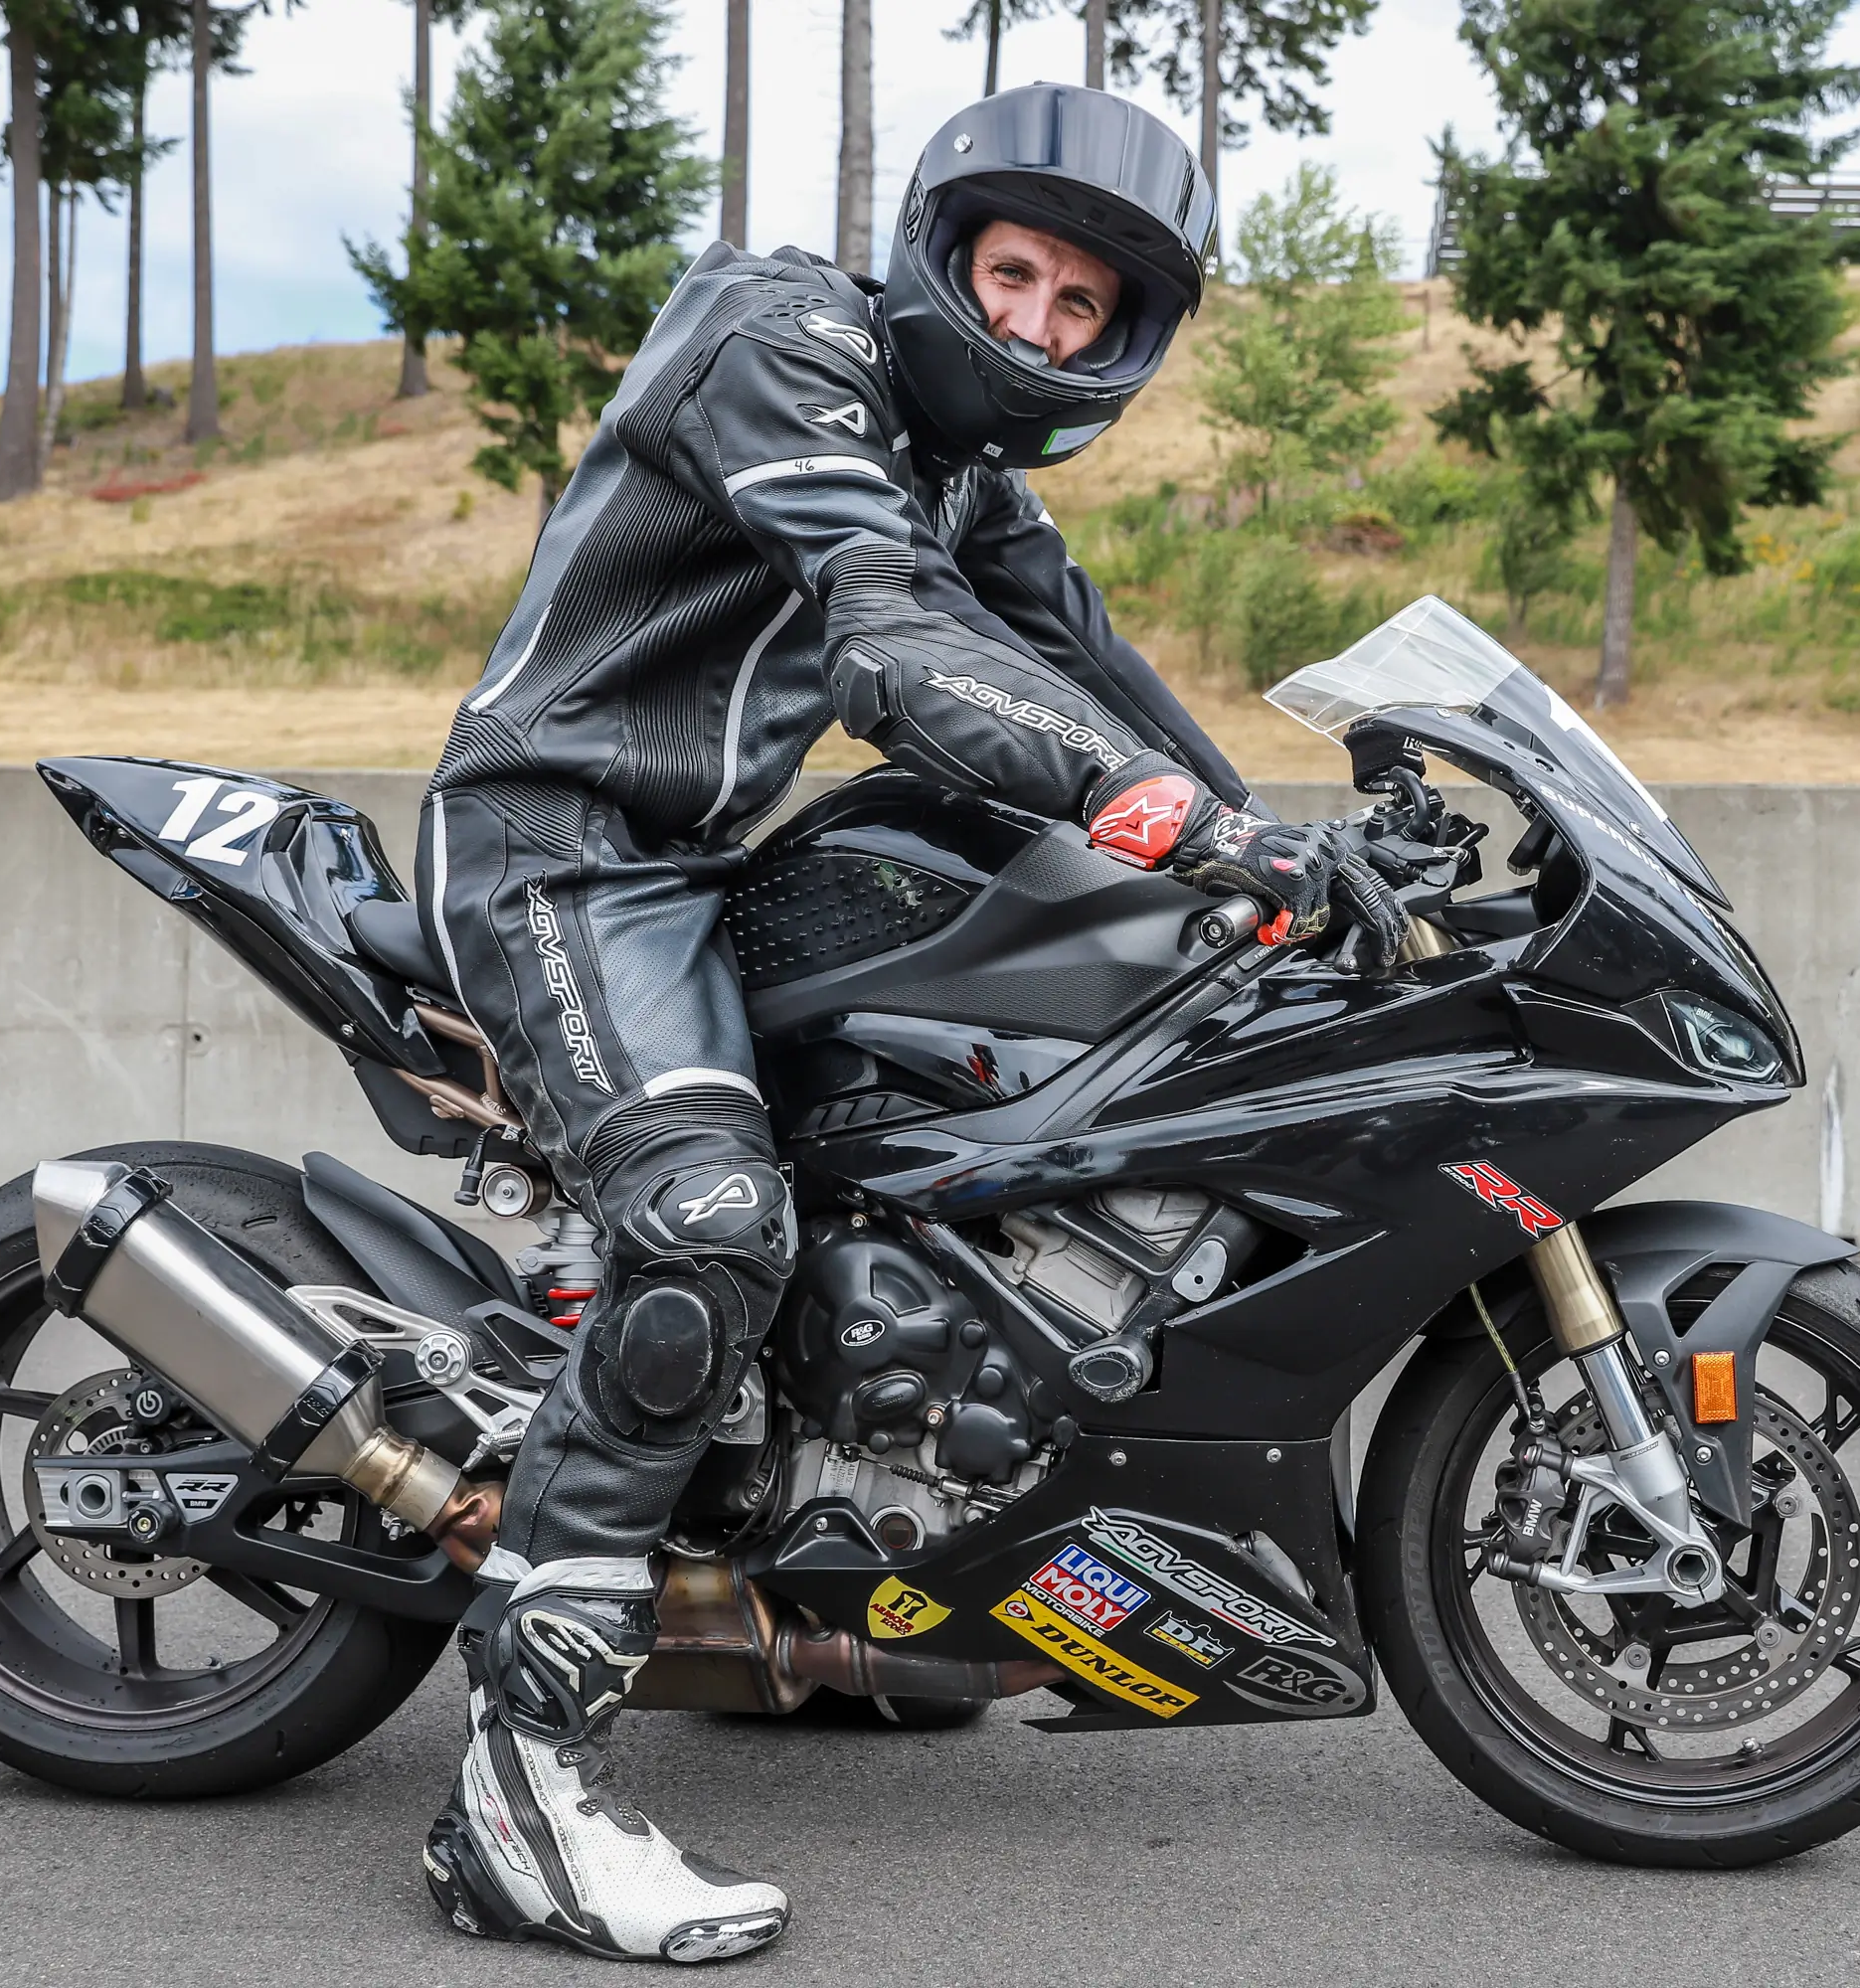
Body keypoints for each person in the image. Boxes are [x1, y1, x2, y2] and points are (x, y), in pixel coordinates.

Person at [412, 84, 1404, 1965]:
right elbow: (894, 639)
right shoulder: (782, 345)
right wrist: (1202, 836)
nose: (1034, 325)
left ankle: (846, 1573)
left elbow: (1083, 663)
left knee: (948, 1165)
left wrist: (1294, 862)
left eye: (1082, 307)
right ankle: (520, 1795)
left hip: (708, 866)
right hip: (561, 845)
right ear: (942, 252)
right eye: (1013, 274)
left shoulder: (966, 473)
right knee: (711, 1225)